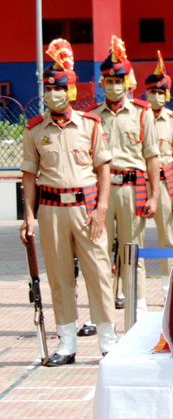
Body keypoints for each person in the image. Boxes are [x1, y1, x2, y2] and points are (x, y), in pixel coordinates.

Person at [20, 39, 117, 365]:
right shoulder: (34, 130)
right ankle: (67, 344)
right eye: (48, 89)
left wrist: (102, 209)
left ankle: (108, 341)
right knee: (60, 278)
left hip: (87, 211)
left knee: (99, 274)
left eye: (58, 88)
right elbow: (29, 177)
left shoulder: (90, 126)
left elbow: (104, 169)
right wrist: (29, 216)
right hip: (51, 213)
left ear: (70, 91)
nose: (52, 94)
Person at [88, 36, 160, 314]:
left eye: (120, 81)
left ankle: (138, 309)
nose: (115, 86)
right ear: (102, 83)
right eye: (110, 81)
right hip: (101, 193)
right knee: (99, 253)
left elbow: (152, 158)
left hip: (133, 189)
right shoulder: (92, 117)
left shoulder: (143, 114)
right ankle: (99, 312)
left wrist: (154, 196)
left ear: (127, 82)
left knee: (133, 252)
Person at [144, 52, 173, 300]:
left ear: (167, 94)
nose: (157, 96)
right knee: (131, 243)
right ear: (146, 93)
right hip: (140, 183)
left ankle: (167, 292)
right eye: (153, 92)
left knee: (168, 241)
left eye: (161, 93)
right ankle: (130, 294)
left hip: (165, 182)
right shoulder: (138, 117)